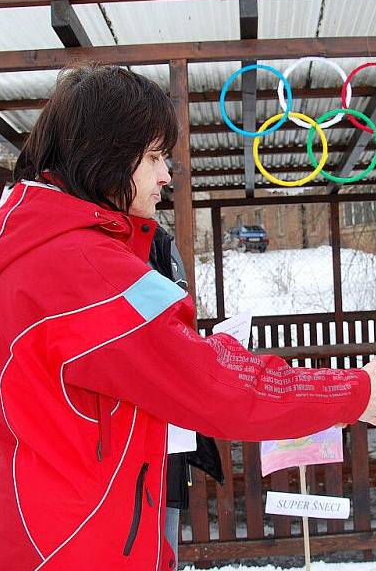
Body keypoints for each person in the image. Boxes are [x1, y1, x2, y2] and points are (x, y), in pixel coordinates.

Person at [0, 63, 376, 571]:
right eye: (152, 157)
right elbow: (213, 385)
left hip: (50, 533)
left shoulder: (42, 255)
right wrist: (348, 392)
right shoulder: (85, 270)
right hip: (79, 547)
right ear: (103, 155)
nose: (165, 176)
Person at [148, 223, 224, 563]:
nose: (164, 177)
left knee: (165, 545)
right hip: (125, 445)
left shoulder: (159, 241)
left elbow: (177, 324)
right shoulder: (102, 247)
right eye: (152, 164)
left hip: (168, 443)